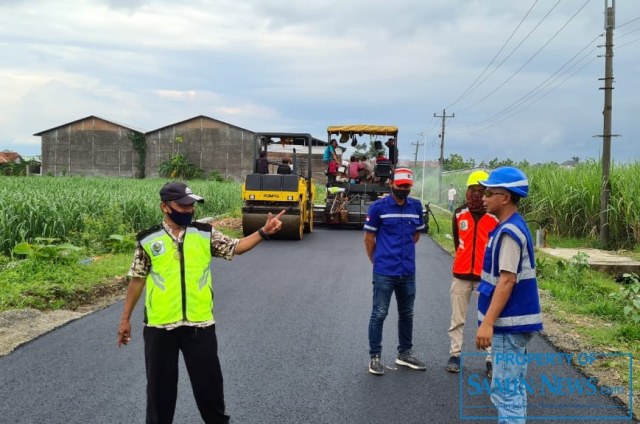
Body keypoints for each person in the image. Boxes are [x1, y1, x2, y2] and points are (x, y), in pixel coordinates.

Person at [117, 181, 285, 424]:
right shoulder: (148, 240)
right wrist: (125, 320)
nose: (189, 210)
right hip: (159, 327)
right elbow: (137, 280)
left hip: (200, 325)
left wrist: (263, 232)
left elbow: (236, 247)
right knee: (159, 394)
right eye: (183, 205)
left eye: (192, 205)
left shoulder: (205, 233)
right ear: (165, 206)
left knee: (209, 389)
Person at [474, 167, 543, 424]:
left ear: (505, 198)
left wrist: (488, 324)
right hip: (514, 324)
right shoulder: (512, 226)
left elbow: (507, 280)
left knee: (506, 393)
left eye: (489, 192)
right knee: (513, 389)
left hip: (508, 325)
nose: (484, 197)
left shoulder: (509, 232)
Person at [364, 167, 427, 375]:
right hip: (384, 271)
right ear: (392, 184)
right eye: (400, 186)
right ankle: (375, 357)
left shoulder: (416, 207)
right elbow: (369, 239)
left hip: (407, 271)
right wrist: (377, 260)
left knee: (407, 313)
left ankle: (405, 354)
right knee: (379, 313)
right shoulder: (378, 208)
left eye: (407, 187)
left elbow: (416, 236)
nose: (403, 190)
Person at [445, 171, 499, 377]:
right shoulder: (459, 214)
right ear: (467, 191)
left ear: (487, 192)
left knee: (488, 319)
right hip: (461, 275)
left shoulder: (494, 217)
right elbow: (458, 242)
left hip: (485, 277)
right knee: (457, 318)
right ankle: (455, 355)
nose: (477, 194)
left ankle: (491, 360)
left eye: (481, 190)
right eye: (473, 190)